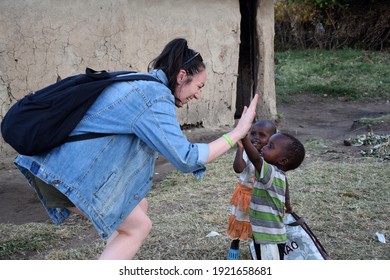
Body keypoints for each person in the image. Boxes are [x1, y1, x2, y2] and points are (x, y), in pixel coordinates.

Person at [14, 38, 259, 260]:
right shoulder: (154, 96)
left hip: (55, 166)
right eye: (199, 86)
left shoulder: (142, 82)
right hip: (63, 173)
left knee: (139, 207)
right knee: (139, 228)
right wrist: (235, 134)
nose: (197, 96)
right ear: (182, 75)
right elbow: (186, 158)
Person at [241, 132, 305, 260]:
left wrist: (243, 137)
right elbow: (286, 185)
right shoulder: (279, 174)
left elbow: (256, 159)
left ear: (282, 160)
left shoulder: (269, 172)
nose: (264, 146)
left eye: (270, 146)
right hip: (268, 235)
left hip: (268, 238)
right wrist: (287, 201)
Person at [226, 120, 277, 260]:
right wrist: (241, 149)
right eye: (253, 133)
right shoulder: (247, 152)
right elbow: (238, 168)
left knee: (259, 224)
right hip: (245, 195)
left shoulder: (272, 156)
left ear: (272, 139)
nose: (255, 137)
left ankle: (258, 249)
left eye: (262, 135)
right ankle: (234, 245)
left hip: (262, 196)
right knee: (240, 220)